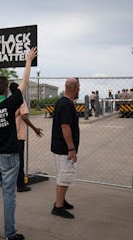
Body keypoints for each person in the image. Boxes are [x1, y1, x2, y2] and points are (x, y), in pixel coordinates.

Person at [0, 47, 37, 240]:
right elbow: (24, 83)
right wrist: (28, 60)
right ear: (6, 89)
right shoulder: (11, 102)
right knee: (8, 196)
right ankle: (10, 233)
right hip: (8, 155)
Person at [51, 77, 80, 219]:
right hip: (64, 150)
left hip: (60, 147)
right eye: (79, 87)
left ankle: (61, 200)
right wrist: (71, 148)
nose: (79, 89)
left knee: (63, 177)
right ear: (74, 88)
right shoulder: (67, 104)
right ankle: (58, 207)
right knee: (64, 177)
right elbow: (65, 126)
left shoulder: (62, 102)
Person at [9, 82, 43, 193]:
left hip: (9, 135)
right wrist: (34, 128)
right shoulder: (20, 100)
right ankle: (20, 185)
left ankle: (5, 182)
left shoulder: (8, 100)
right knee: (19, 161)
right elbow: (24, 116)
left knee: (9, 160)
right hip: (18, 135)